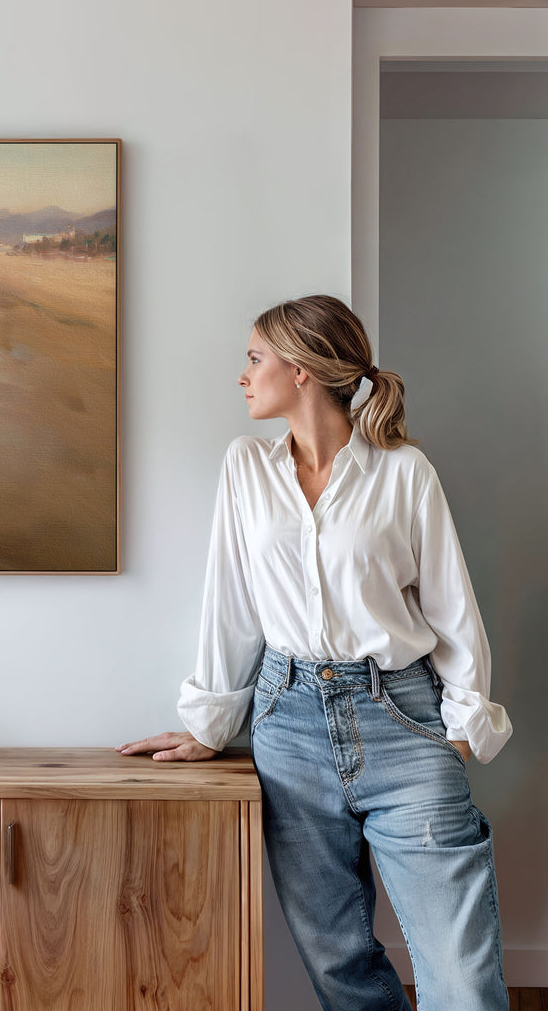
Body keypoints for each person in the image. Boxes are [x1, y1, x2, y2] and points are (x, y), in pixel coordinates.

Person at [118, 295, 512, 1011]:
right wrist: (211, 724)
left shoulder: (404, 473)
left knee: (461, 976)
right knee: (339, 966)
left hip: (403, 717)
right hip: (287, 722)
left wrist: (459, 728)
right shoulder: (246, 469)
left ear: (301, 371)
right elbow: (229, 604)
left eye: (254, 358)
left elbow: (453, 609)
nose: (243, 375)